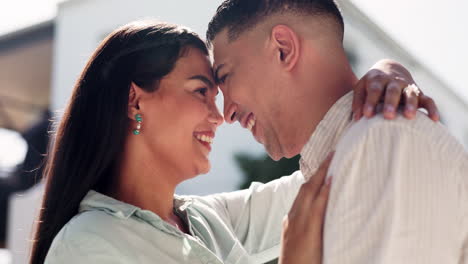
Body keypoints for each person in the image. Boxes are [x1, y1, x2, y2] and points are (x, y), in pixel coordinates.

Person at [31, 20, 436, 264]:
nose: (219, 115)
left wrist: (389, 74)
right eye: (200, 91)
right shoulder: (87, 245)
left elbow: (331, 176)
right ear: (135, 100)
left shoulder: (208, 221)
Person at [207, 0, 468, 263]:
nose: (226, 113)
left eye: (226, 76)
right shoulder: (352, 155)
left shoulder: (382, 144)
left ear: (283, 50)